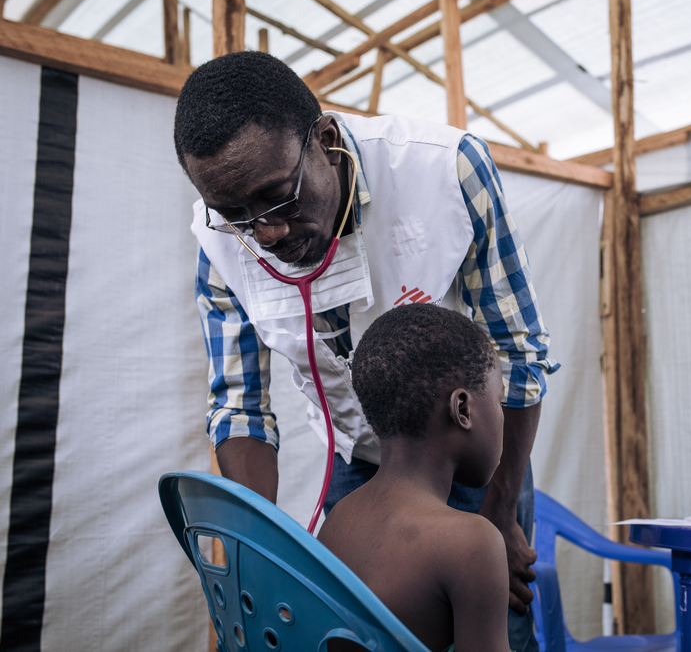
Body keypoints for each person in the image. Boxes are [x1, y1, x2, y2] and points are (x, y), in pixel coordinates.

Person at [173, 51, 557, 651]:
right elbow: (241, 405)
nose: (266, 234)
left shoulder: (447, 171)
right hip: (352, 467)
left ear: (324, 139)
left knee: (499, 620)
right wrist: (253, 558)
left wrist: (500, 508)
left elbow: (519, 351)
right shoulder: (218, 239)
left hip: (479, 456)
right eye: (238, 217)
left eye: (279, 198)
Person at [318, 303, 509, 651]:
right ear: (462, 409)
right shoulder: (473, 543)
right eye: (500, 401)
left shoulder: (337, 521)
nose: (503, 417)